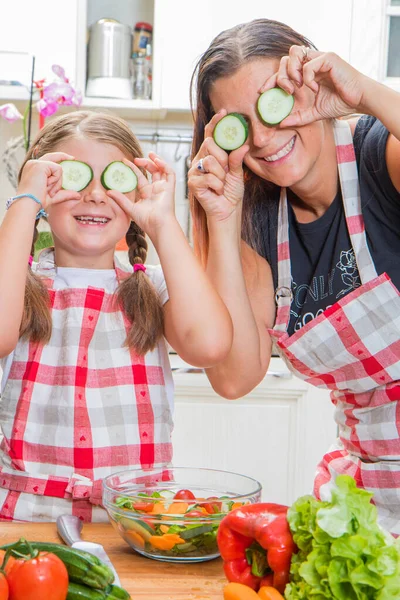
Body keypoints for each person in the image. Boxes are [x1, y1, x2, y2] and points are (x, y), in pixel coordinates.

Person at [188, 18, 400, 534]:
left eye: (272, 103)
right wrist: (219, 217)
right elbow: (235, 378)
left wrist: (367, 94)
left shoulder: (381, 154)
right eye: (237, 124)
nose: (262, 138)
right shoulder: (255, 225)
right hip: (364, 506)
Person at [0, 110, 233, 522]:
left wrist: (163, 221)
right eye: (74, 178)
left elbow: (210, 345)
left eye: (112, 180)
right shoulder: (18, 284)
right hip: (25, 525)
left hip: (135, 526)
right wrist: (25, 201)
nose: (94, 195)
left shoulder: (154, 288)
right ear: (43, 190)